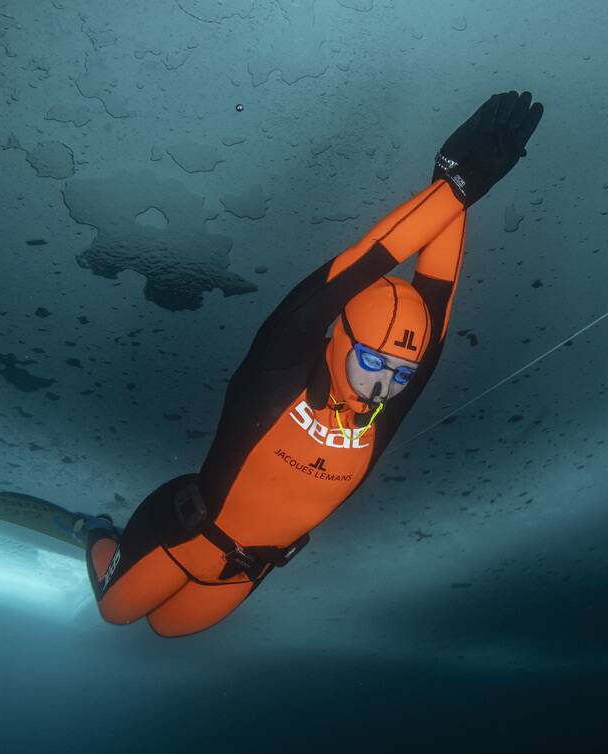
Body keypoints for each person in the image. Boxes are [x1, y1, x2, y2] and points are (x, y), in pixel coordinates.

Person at [74, 90, 544, 637]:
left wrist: (457, 190)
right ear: (341, 339)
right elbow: (364, 263)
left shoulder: (382, 413)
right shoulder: (279, 370)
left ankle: (124, 553)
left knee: (170, 630)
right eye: (372, 361)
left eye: (402, 374)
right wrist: (456, 187)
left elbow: (436, 295)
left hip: (248, 570)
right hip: (186, 534)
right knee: (117, 612)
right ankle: (98, 532)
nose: (384, 386)